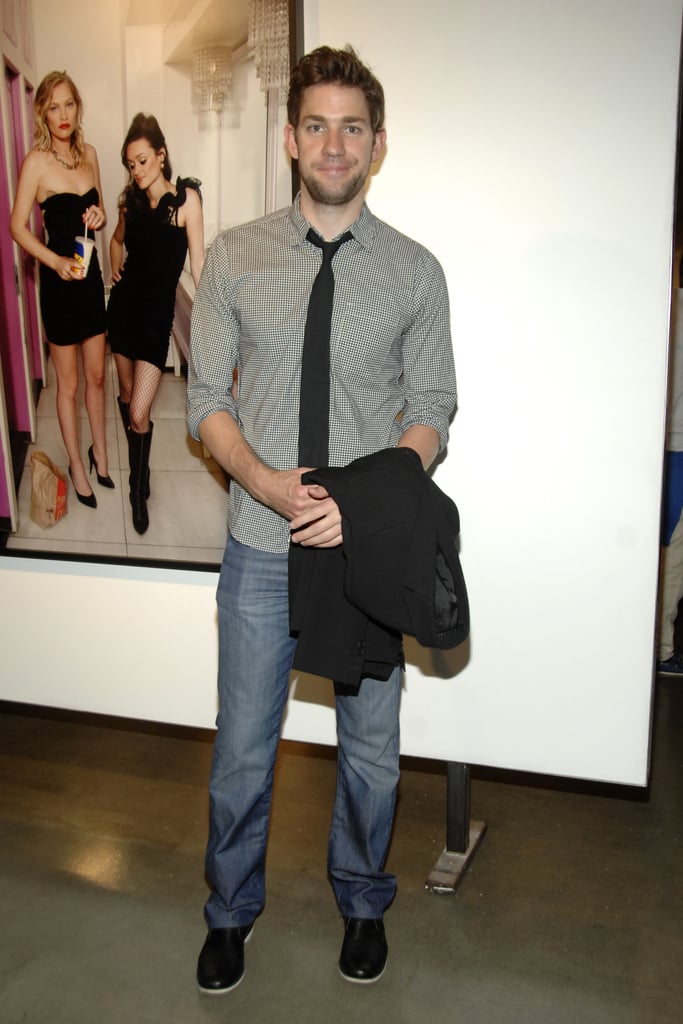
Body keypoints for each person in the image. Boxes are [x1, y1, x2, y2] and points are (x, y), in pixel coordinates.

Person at [187, 45, 457, 992]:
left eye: (352, 127)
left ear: (376, 145)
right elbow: (203, 405)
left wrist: (366, 504)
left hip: (365, 555)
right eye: (316, 124)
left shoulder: (415, 272)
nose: (333, 143)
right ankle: (228, 913)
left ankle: (362, 904)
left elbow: (431, 409)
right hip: (261, 547)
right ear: (289, 135)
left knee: (371, 757)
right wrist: (263, 482)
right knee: (242, 754)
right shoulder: (233, 257)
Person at [10, 70, 111, 508]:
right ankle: (75, 461)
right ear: (43, 113)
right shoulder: (36, 162)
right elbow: (16, 226)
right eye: (54, 106)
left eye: (69, 104)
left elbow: (100, 211)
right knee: (67, 386)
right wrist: (52, 261)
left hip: (89, 281)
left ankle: (100, 452)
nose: (63, 114)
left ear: (77, 107)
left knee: (96, 377)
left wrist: (100, 217)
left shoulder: (89, 154)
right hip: (59, 287)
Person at [107, 113, 204, 534]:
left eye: (143, 160)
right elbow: (115, 242)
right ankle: (140, 471)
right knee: (128, 399)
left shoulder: (186, 201)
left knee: (140, 410)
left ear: (161, 155)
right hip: (124, 310)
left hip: (155, 319)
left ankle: (135, 485)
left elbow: (199, 265)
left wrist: (212, 319)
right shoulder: (129, 202)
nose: (138, 170)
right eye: (131, 164)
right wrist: (114, 271)